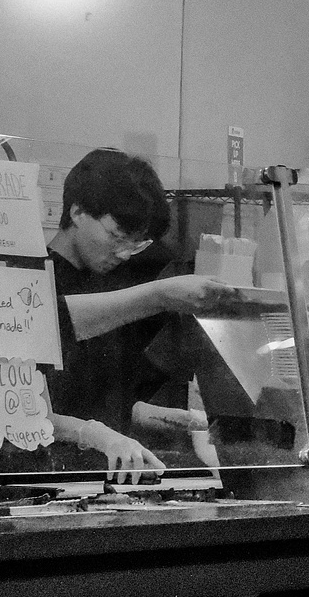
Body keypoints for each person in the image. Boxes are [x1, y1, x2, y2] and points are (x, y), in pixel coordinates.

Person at [47, 149, 237, 481]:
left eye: (135, 245)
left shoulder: (108, 286)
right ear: (77, 211)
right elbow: (54, 320)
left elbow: (107, 404)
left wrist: (188, 420)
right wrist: (159, 294)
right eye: (116, 236)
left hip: (108, 483)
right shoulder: (30, 277)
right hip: (44, 480)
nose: (122, 254)